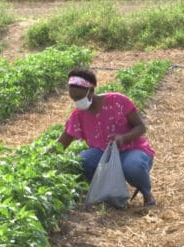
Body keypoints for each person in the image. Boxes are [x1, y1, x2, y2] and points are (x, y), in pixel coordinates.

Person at [56, 67, 156, 207]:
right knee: (83, 161)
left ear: (91, 90)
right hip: (102, 153)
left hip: (131, 149)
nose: (77, 102)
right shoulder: (78, 115)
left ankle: (147, 193)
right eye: (73, 99)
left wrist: (124, 137)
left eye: (79, 98)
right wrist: (42, 158)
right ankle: (106, 193)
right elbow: (62, 142)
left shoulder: (117, 101)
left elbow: (141, 127)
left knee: (133, 167)